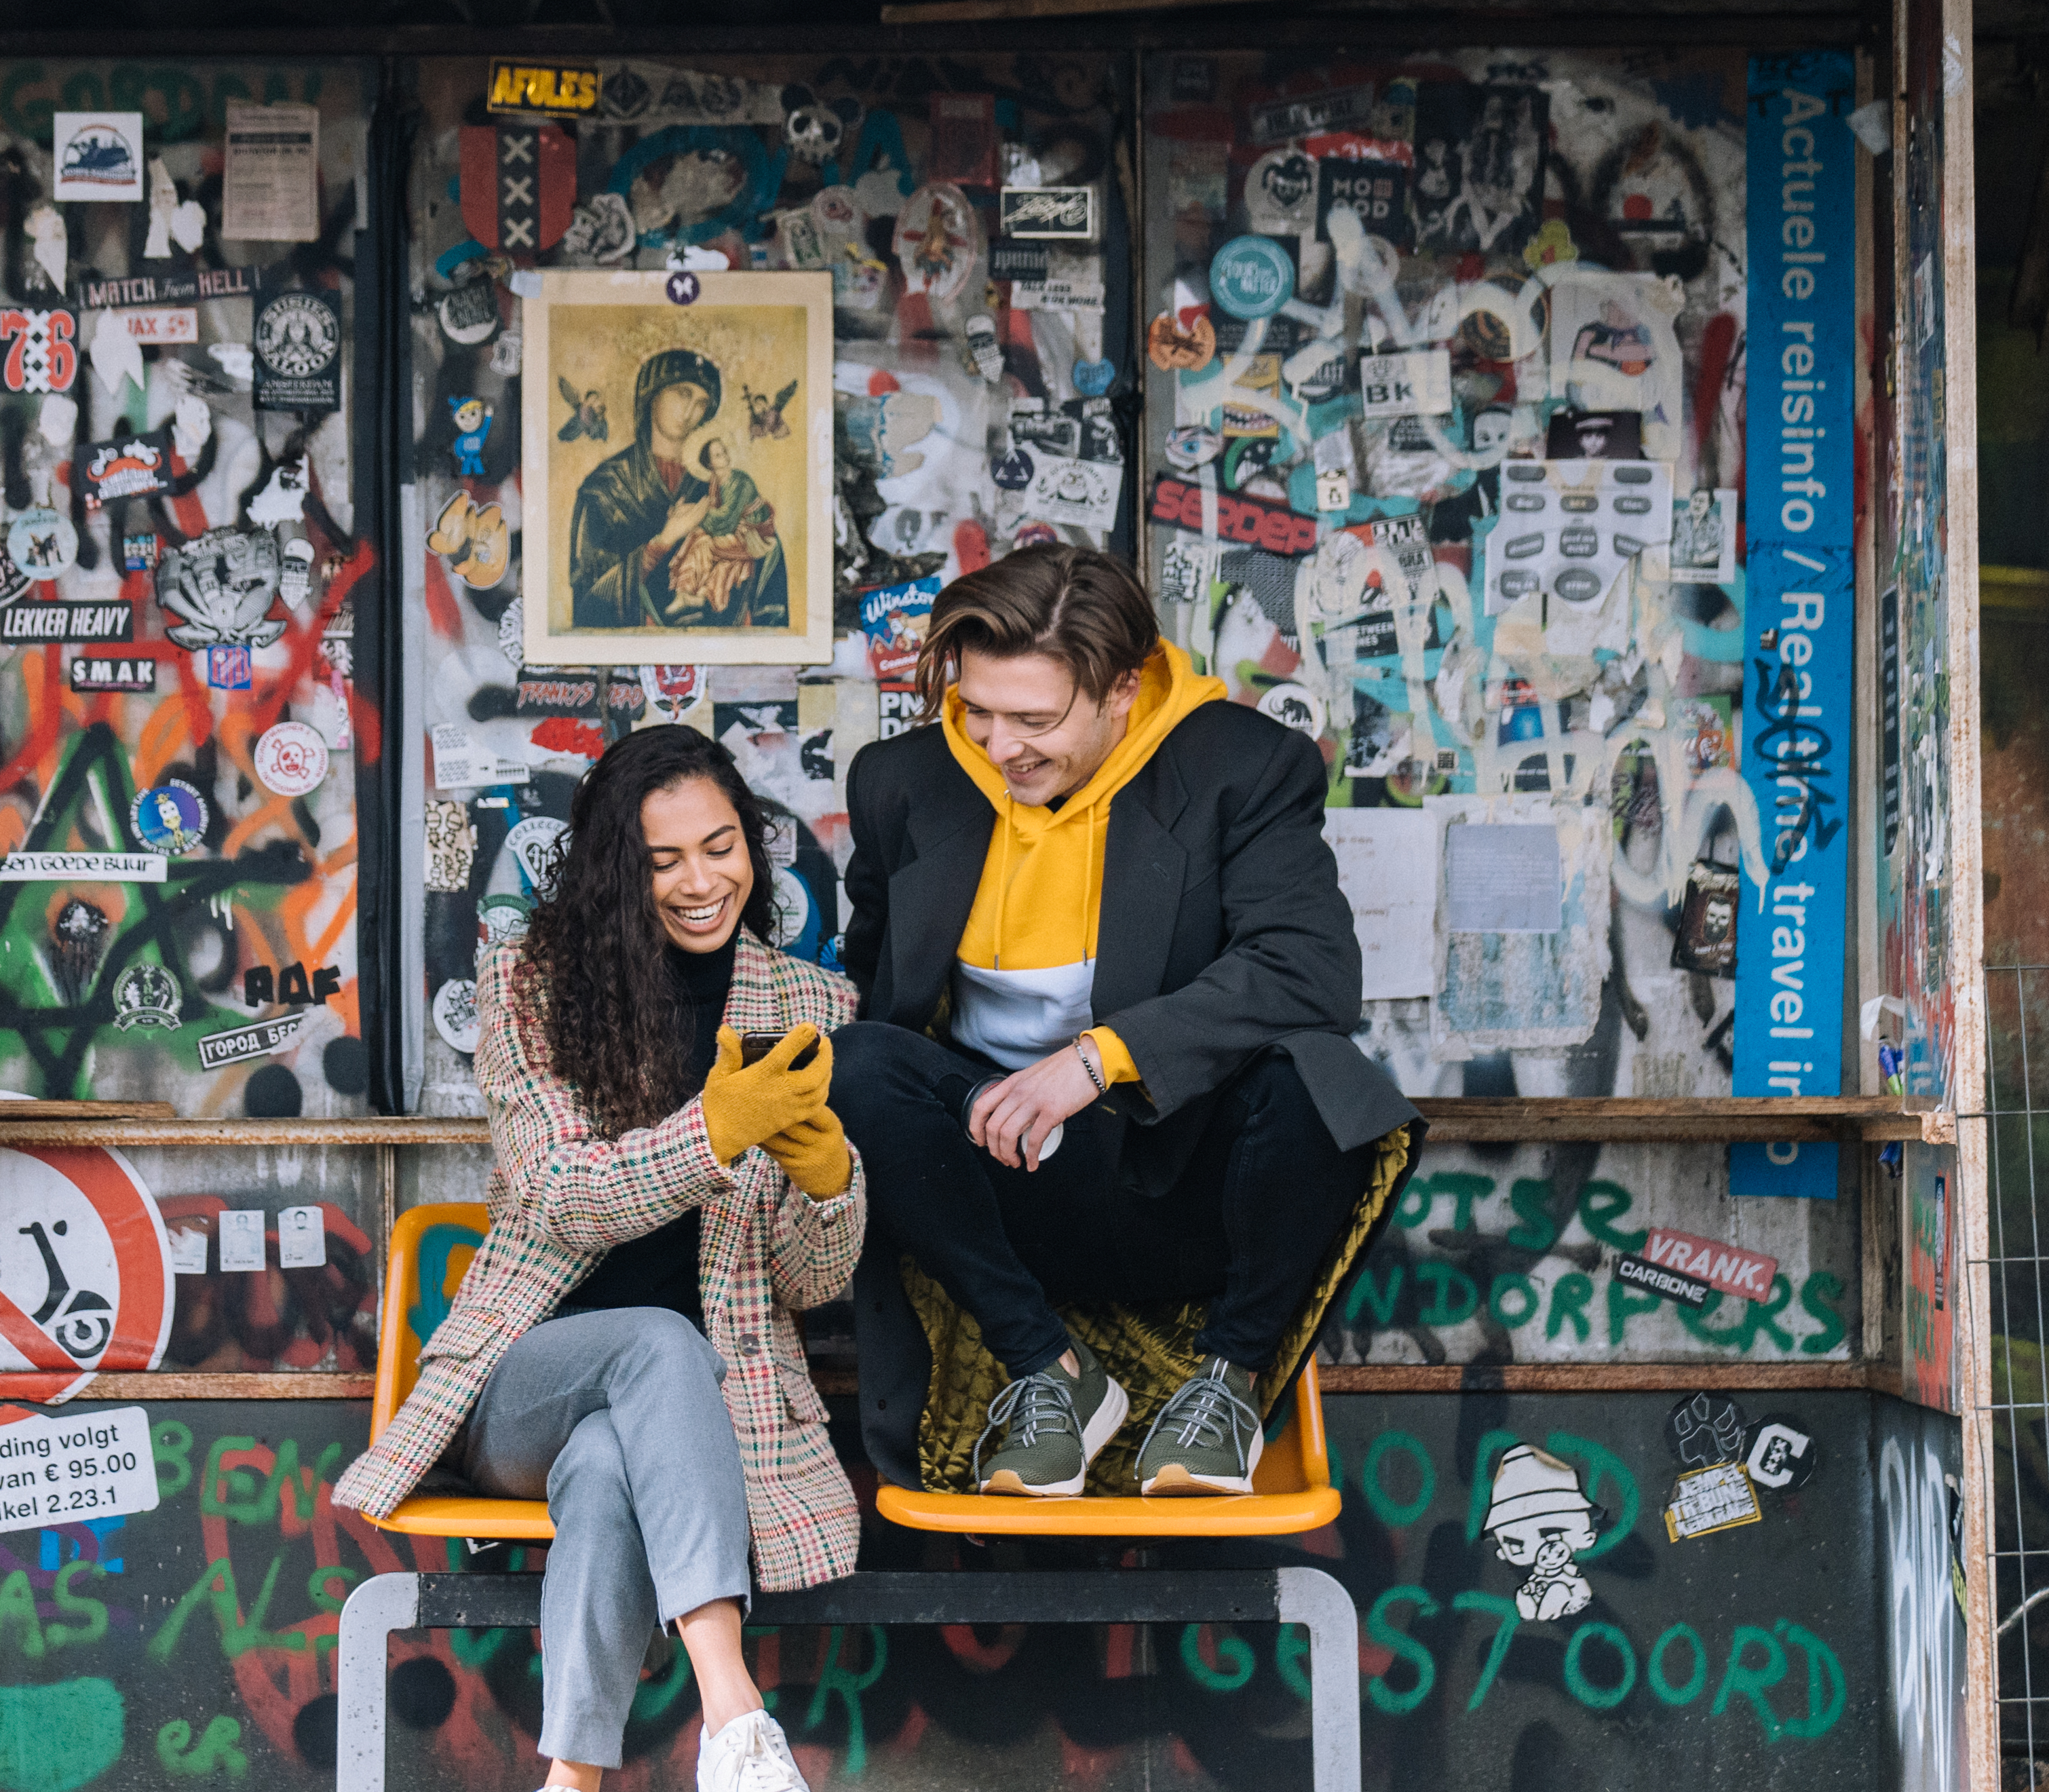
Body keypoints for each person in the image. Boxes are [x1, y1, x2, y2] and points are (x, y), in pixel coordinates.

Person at [336, 726, 860, 1792]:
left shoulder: (812, 1002)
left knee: (607, 1467)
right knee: (645, 1348)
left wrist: (830, 1175)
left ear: (752, 847)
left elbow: (815, 1278)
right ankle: (733, 1716)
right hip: (528, 1372)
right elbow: (564, 1197)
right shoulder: (532, 986)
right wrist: (712, 1129)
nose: (698, 880)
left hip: (705, 1412)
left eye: (719, 847)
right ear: (613, 873)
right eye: (661, 859)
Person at [832, 541, 1418, 1499]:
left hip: (1177, 1175)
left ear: (1121, 688)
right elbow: (879, 979)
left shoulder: (1243, 765)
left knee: (1320, 1076)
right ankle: (1048, 1372)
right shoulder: (903, 780)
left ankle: (1225, 1384)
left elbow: (1309, 967)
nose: (995, 742)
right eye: (975, 707)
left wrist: (1096, 1062)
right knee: (856, 1063)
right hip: (997, 1187)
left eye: (1033, 717)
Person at [563, 349, 789, 632]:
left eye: (701, 403)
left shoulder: (717, 483)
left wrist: (754, 540)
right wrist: (662, 542)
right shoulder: (605, 488)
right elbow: (587, 608)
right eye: (683, 394)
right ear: (652, 394)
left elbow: (769, 568)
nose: (690, 412)